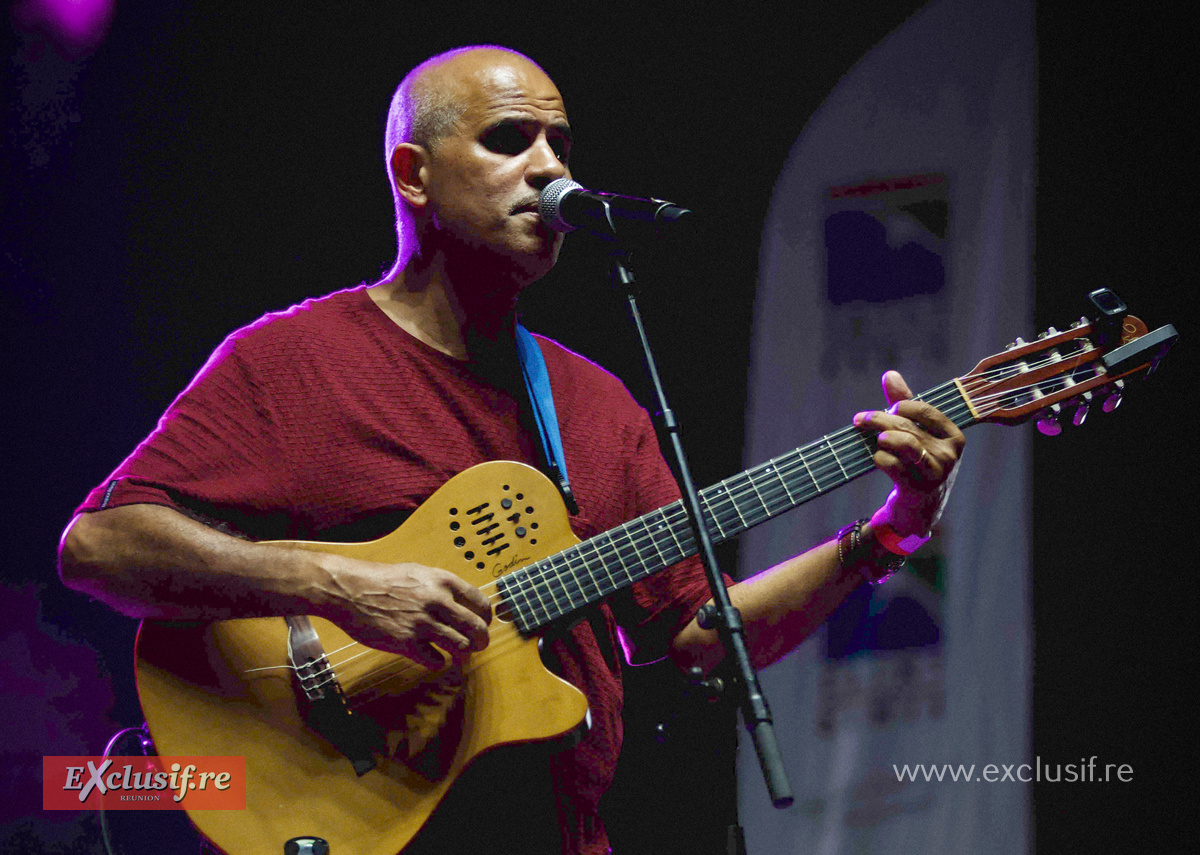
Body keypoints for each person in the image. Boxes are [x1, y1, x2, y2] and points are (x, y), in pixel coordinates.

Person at [58, 46, 964, 855]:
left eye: (561, 144)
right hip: (355, 818)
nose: (549, 168)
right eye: (508, 139)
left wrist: (890, 531)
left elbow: (700, 637)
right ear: (413, 175)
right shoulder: (292, 363)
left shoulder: (595, 406)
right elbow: (99, 547)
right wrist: (342, 587)